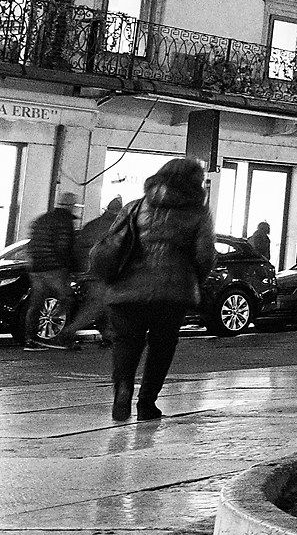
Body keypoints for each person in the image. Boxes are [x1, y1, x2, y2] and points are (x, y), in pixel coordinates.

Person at [97, 159, 215, 422]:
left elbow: (112, 244)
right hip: (173, 293)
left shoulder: (134, 206)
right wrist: (197, 280)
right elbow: (204, 255)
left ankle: (122, 392)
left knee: (126, 342)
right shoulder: (198, 213)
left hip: (127, 290)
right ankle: (147, 403)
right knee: (162, 346)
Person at [23, 189, 78, 349]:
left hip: (36, 269)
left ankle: (31, 339)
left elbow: (31, 243)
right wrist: (70, 267)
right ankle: (62, 337)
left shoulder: (42, 219)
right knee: (67, 299)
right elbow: (63, 246)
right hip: (54, 268)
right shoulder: (65, 221)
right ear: (71, 205)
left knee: (36, 303)